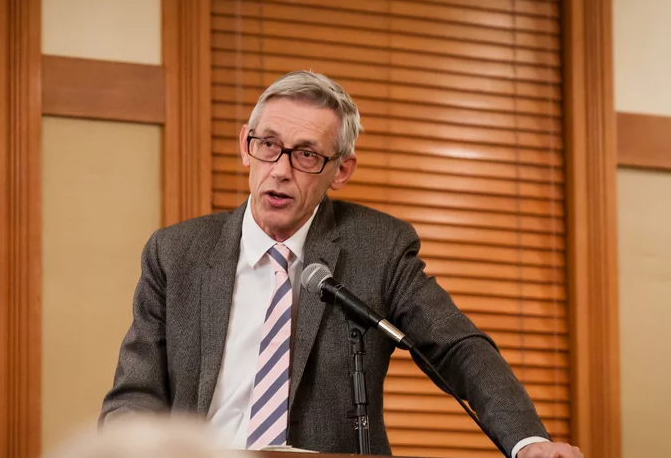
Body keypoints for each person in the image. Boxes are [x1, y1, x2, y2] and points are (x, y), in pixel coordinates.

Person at [100, 71, 582, 458]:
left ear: (342, 170)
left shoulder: (377, 247)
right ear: (245, 144)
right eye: (268, 145)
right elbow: (133, 396)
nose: (281, 169)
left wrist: (527, 440)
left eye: (307, 154)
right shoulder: (177, 253)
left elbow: (456, 346)